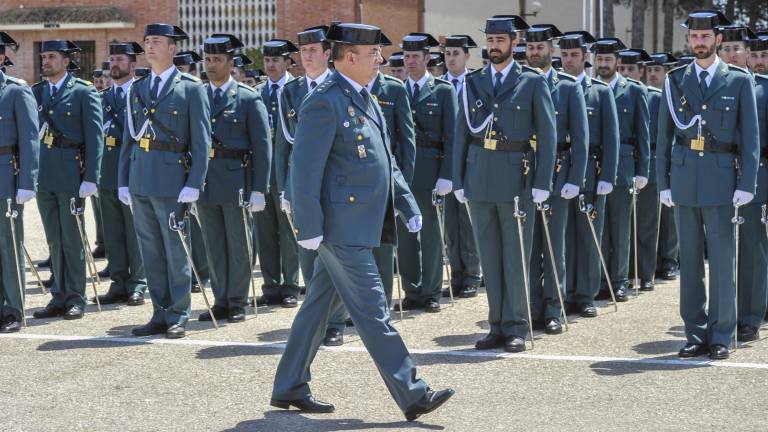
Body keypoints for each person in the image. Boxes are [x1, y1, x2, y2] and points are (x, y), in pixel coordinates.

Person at [271, 22, 453, 421]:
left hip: (360, 223)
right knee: (373, 310)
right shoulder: (324, 101)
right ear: (350, 57)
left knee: (317, 308)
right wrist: (308, 227)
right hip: (340, 228)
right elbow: (303, 170)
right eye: (374, 54)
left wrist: (406, 204)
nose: (381, 61)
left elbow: (386, 160)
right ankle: (413, 393)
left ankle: (289, 384)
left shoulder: (366, 96)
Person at [657, 10, 759, 360]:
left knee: (722, 260)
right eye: (694, 37)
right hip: (684, 179)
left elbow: (750, 140)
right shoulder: (675, 80)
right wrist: (663, 182)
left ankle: (721, 334)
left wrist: (747, 182)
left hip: (721, 179)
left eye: (705, 37)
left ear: (718, 40)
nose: (699, 43)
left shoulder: (738, 81)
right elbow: (663, 138)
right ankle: (695, 332)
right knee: (689, 262)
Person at [453, 15, 557, 352]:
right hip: (480, 174)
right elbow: (461, 133)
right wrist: (457, 178)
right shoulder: (473, 81)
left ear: (515, 43)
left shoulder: (531, 81)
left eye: (501, 41)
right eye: (491, 41)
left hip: (517, 177)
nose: (494, 46)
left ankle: (517, 325)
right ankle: (496, 324)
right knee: (490, 256)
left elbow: (548, 134)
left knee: (515, 256)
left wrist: (543, 181)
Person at [118, 23, 211, 339]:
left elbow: (201, 141)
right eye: (147, 41)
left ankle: (179, 313)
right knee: (151, 251)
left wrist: (194, 182)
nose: (150, 46)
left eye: (157, 41)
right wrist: (123, 181)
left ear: (173, 48)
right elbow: (129, 138)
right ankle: (159, 312)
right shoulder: (138, 88)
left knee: (175, 249)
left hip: (173, 180)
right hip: (140, 177)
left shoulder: (191, 87)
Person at [196, 34, 271, 323]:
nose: (211, 65)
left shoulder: (248, 98)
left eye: (217, 60)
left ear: (231, 63)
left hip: (236, 178)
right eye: (208, 60)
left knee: (238, 243)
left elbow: (262, 148)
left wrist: (259, 189)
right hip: (205, 181)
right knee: (213, 243)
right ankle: (221, 299)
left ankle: (238, 300)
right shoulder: (198, 95)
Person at [31, 40, 103, 321]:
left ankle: (76, 297)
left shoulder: (83, 92)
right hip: (44, 177)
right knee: (54, 240)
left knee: (72, 239)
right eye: (43, 57)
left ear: (66, 61)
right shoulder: (37, 92)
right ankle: (58, 294)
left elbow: (95, 138)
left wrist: (91, 177)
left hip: (72, 175)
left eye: (51, 57)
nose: (45, 61)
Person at [525, 24, 588, 334]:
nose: (535, 53)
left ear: (551, 50)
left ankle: (553, 308)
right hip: (524, 174)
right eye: (531, 48)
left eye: (540, 48)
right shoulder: (519, 83)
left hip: (558, 174)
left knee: (553, 246)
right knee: (528, 245)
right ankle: (532, 306)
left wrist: (575, 178)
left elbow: (580, 138)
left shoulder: (567, 86)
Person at [395, 32, 457, 314]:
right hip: (403, 172)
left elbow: (453, 137)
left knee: (431, 235)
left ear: (427, 58)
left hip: (431, 169)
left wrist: (448, 175)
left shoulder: (443, 91)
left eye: (415, 57)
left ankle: (431, 291)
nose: (409, 61)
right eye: (406, 57)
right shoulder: (396, 89)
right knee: (405, 233)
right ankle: (412, 289)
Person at [560, 31, 620, 318]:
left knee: (588, 234)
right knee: (564, 236)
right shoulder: (554, 88)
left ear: (586, 58)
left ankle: (585, 294)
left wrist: (608, 175)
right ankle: (565, 291)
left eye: (574, 55)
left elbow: (612, 138)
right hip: (561, 171)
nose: (569, 60)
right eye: (565, 55)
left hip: (591, 173)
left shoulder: (600, 91)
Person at [719, 25, 768, 342]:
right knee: (723, 247)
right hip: (719, 174)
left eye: (738, 49)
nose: (732, 54)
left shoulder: (762, 88)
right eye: (727, 49)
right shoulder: (712, 86)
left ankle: (750, 315)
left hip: (758, 175)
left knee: (752, 247)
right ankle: (725, 313)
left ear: (748, 54)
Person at [592, 37, 650, 303]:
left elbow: (643, 133)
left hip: (624, 164)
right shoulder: (588, 88)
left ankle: (619, 280)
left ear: (617, 61)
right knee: (598, 227)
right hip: (594, 163)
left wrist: (642, 170)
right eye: (599, 60)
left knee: (620, 225)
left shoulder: (634, 90)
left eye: (607, 60)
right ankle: (600, 278)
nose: (603, 65)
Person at [95, 42, 148, 306]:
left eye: (120, 59)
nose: (114, 63)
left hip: (133, 170)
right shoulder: (102, 98)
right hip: (107, 171)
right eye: (112, 58)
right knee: (113, 230)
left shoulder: (141, 94)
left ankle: (138, 282)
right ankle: (118, 280)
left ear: (133, 65)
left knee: (134, 229)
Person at [254, 39, 300, 308]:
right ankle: (270, 285)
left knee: (288, 228)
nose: (270, 65)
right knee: (265, 230)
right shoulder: (257, 92)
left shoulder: (295, 91)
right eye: (267, 60)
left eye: (276, 60)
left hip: (288, 167)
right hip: (263, 168)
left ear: (287, 62)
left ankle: (291, 284)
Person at [0, 32, 39, 332]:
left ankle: (14, 309)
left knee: (9, 245)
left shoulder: (16, 91)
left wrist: (27, 182)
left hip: (6, 176)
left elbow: (29, 140)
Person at [441, 34, 482, 300]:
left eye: (456, 53)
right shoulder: (439, 85)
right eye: (447, 54)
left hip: (470, 162)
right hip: (445, 164)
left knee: (468, 222)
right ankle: (456, 274)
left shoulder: (476, 84)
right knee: (451, 223)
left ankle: (472, 275)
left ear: (467, 56)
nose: (451, 58)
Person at [617, 48, 659, 292]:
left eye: (630, 69)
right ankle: (625, 271)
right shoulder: (612, 92)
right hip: (621, 165)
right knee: (624, 224)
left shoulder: (650, 95)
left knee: (645, 223)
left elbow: (649, 135)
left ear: (640, 71)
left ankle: (646, 272)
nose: (625, 73)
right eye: (622, 68)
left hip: (643, 164)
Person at [646, 52, 680, 281]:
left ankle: (670, 259)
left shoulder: (676, 95)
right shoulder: (647, 96)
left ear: (668, 72)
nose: (653, 75)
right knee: (650, 215)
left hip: (671, 155)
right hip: (652, 155)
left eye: (657, 70)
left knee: (669, 216)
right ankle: (654, 259)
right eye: (650, 71)